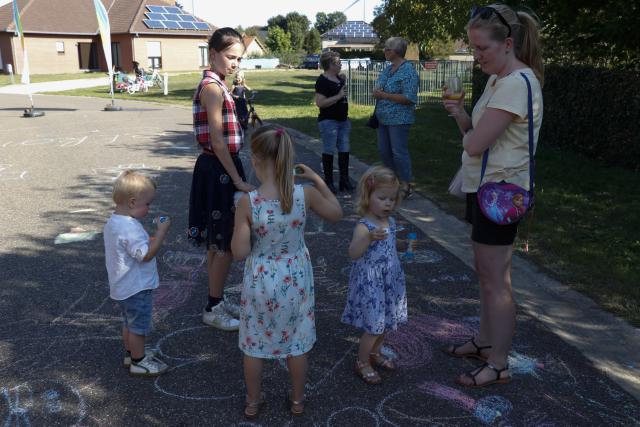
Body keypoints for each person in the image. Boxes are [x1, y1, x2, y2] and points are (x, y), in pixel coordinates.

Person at [441, 3, 544, 388]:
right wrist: (459, 113)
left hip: (499, 195)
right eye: (473, 48)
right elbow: (477, 137)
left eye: (481, 48)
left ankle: (498, 362)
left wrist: (468, 134)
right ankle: (485, 342)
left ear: (508, 44)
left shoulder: (517, 84)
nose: (476, 55)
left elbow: (474, 145)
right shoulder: (501, 80)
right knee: (486, 274)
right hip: (487, 190)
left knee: (496, 280)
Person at [231, 125, 343, 418]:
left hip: (260, 278)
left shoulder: (248, 202)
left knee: (254, 343)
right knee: (296, 340)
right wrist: (318, 179)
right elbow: (337, 213)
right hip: (295, 276)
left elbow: (239, 252)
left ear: (255, 160)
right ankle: (297, 400)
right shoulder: (304, 195)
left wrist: (239, 222)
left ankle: (253, 401)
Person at [188, 27, 255, 331]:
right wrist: (238, 181)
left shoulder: (219, 84)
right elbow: (217, 142)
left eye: (239, 59)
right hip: (219, 171)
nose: (235, 63)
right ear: (213, 54)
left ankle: (215, 300)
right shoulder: (212, 88)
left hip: (220, 168)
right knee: (224, 242)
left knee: (220, 243)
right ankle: (213, 306)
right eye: (230, 57)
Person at [341, 165, 408, 385]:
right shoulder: (364, 226)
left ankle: (375, 353)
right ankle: (362, 361)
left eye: (392, 199)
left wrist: (400, 244)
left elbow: (388, 246)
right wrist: (368, 238)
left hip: (390, 281)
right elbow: (353, 253)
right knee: (373, 327)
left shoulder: (391, 222)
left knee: (386, 323)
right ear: (367, 196)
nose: (388, 203)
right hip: (372, 285)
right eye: (382, 198)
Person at [103, 170, 171, 376]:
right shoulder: (130, 228)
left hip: (122, 286)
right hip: (136, 286)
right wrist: (161, 233)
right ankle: (138, 361)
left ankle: (131, 353)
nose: (149, 209)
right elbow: (146, 256)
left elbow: (129, 248)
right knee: (138, 326)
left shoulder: (114, 222)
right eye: (147, 204)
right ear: (132, 202)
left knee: (129, 322)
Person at [372, 37, 419, 199]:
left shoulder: (408, 71)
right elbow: (379, 85)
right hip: (383, 118)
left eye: (387, 49)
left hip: (399, 119)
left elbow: (409, 97)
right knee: (384, 152)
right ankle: (391, 182)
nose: (384, 51)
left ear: (396, 52)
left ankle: (406, 184)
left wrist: (384, 95)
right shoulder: (388, 69)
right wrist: (377, 92)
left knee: (399, 153)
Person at [314, 51, 353, 194]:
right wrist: (338, 96)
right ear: (330, 65)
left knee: (344, 149)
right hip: (329, 121)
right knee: (329, 150)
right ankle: (329, 181)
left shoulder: (339, 78)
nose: (341, 64)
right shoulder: (322, 81)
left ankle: (344, 180)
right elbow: (320, 103)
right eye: (338, 63)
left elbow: (341, 81)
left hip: (343, 120)